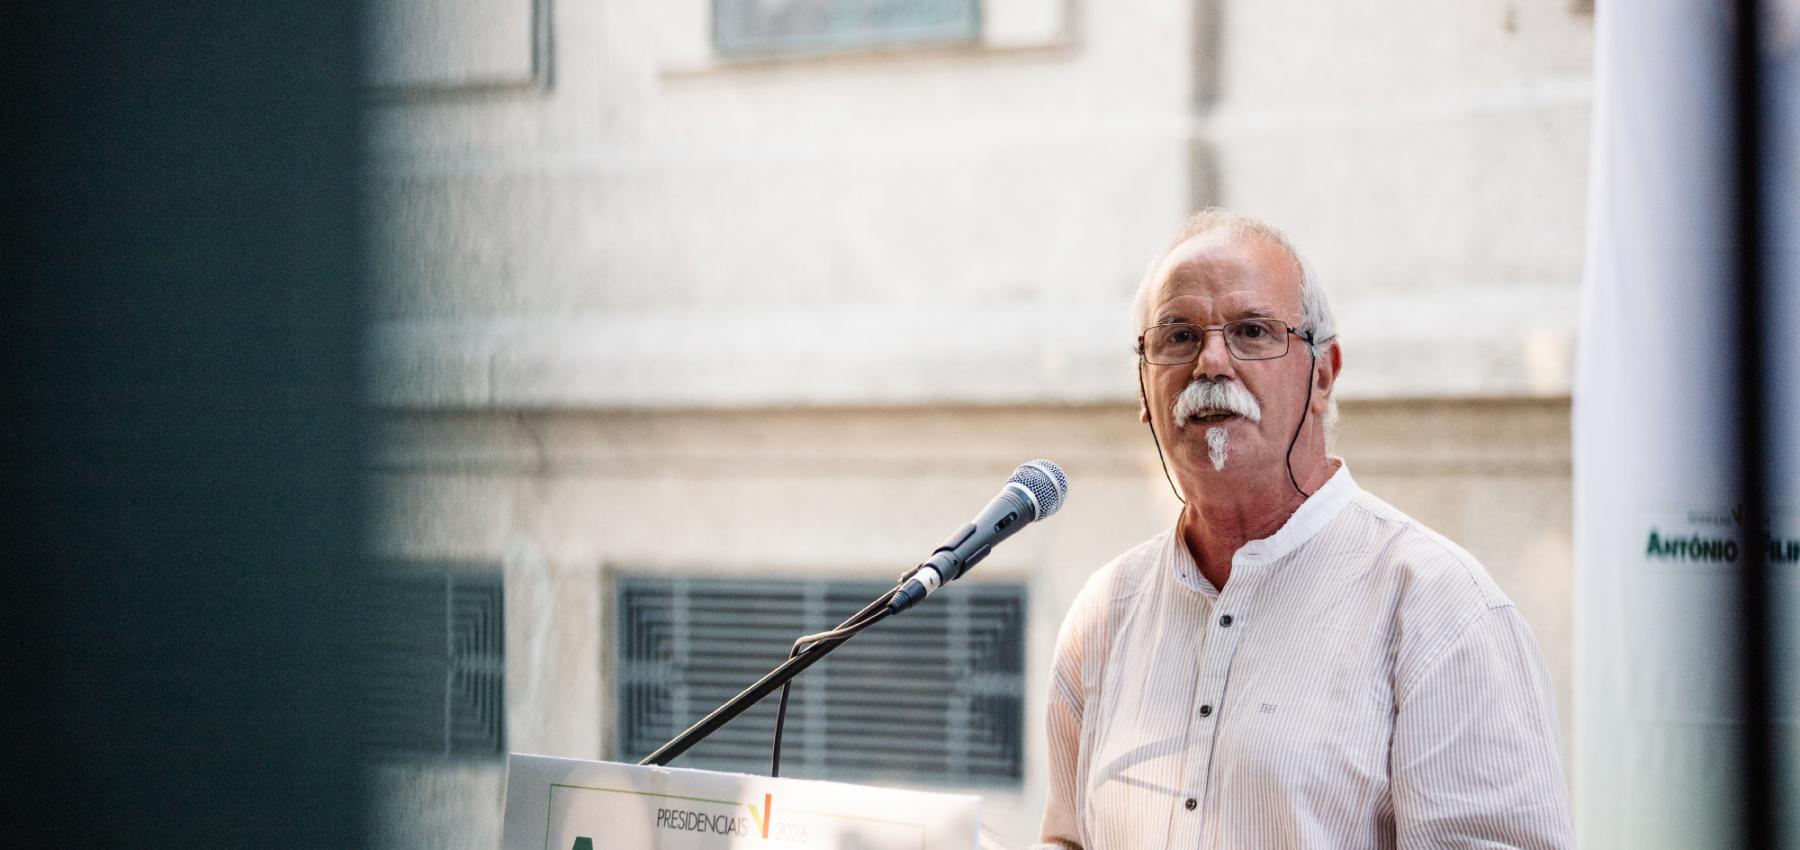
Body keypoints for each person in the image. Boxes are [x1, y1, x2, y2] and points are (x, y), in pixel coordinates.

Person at [1036, 209, 1573, 849]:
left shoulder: (1438, 608)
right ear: (1143, 387)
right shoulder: (1106, 614)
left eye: (1252, 331)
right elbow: (1067, 838)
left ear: (1322, 374)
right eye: (1178, 337)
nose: (1211, 362)